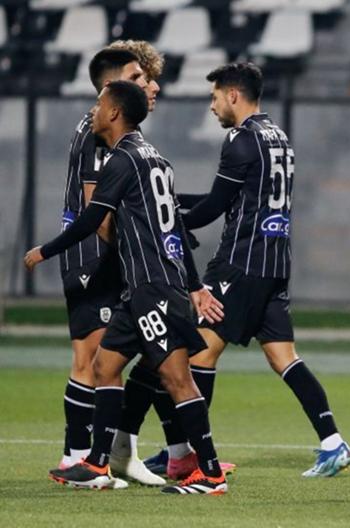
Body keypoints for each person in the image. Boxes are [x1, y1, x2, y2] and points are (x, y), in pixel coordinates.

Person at [138, 62, 350, 478]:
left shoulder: (239, 140)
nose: (212, 106)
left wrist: (167, 220)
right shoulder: (278, 136)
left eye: (215, 96)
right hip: (274, 265)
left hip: (240, 263)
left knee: (200, 352)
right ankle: (332, 442)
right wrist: (173, 202)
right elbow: (230, 195)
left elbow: (213, 208)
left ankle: (188, 451)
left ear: (233, 95)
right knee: (283, 357)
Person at [25, 80, 228, 495]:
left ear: (115, 113)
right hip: (143, 288)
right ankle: (98, 464)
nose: (94, 110)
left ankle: (210, 474)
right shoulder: (156, 159)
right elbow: (175, 227)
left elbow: (90, 219)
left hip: (153, 287)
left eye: (100, 104)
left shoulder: (122, 160)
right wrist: (192, 284)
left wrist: (44, 251)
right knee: (105, 366)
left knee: (177, 379)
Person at [54, 47, 146, 479]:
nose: (146, 83)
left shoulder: (110, 130)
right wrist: (135, 253)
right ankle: (77, 455)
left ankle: (99, 455)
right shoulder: (95, 132)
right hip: (91, 256)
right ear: (111, 86)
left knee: (103, 359)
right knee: (92, 359)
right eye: (136, 76)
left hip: (98, 256)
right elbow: (98, 211)